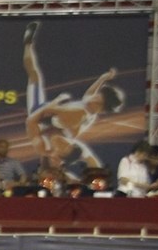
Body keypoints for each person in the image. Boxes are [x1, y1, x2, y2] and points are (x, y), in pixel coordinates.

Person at [22, 21, 122, 172]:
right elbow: (89, 94)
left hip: (41, 114)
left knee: (34, 76)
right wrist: (103, 78)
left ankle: (27, 43)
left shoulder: (76, 117)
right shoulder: (89, 108)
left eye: (98, 98)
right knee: (34, 75)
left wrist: (56, 101)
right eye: (98, 95)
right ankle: (28, 42)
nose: (94, 96)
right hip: (55, 119)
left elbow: (36, 118)